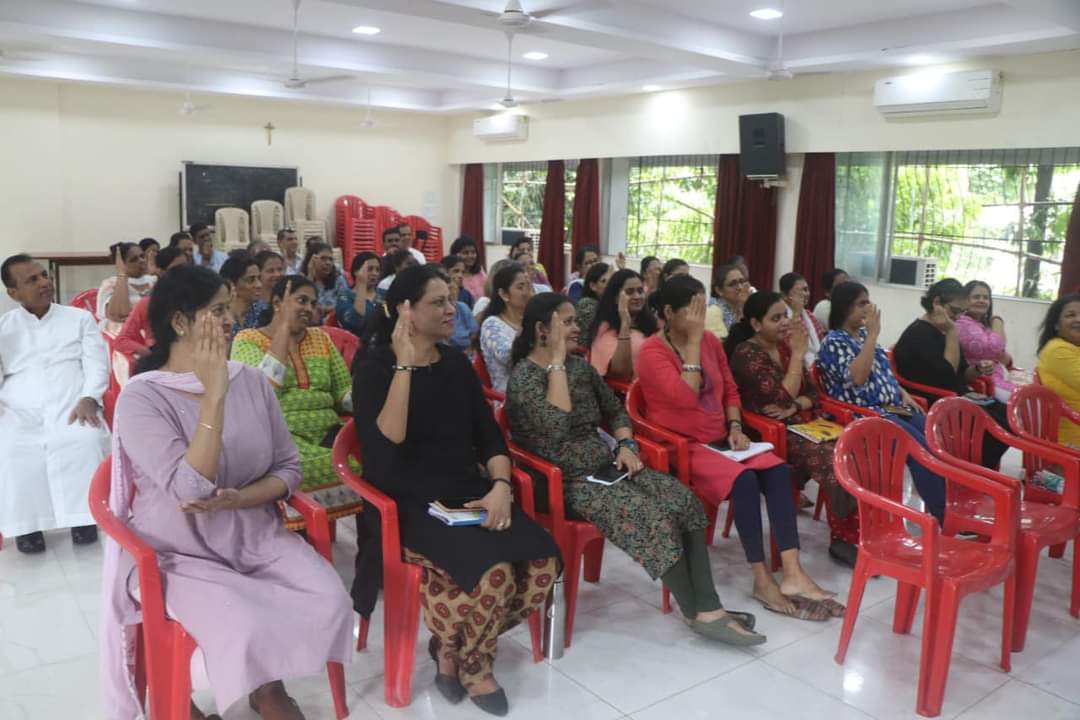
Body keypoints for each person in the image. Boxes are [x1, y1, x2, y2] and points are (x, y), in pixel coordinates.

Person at [105, 264, 352, 720]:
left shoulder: (252, 380)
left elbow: (289, 467)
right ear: (180, 322)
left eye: (227, 310)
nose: (228, 320)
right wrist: (213, 395)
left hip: (254, 534)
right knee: (245, 623)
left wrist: (242, 497)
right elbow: (189, 488)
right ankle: (183, 694)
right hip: (181, 552)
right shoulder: (144, 398)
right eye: (216, 311)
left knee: (330, 598)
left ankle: (266, 687)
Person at [353, 265, 560, 716]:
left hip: (466, 492)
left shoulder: (454, 365)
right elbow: (386, 447)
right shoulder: (372, 366)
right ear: (402, 310)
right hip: (405, 502)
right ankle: (474, 663)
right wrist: (405, 362)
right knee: (496, 573)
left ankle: (450, 649)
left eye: (451, 299)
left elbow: (489, 437)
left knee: (543, 560)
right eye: (438, 302)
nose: (453, 309)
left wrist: (501, 486)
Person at [507, 292, 766, 644]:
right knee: (648, 515)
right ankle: (699, 612)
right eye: (566, 322)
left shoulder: (579, 367)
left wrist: (626, 444)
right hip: (559, 480)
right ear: (542, 330)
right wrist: (554, 361)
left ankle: (708, 605)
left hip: (604, 466)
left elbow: (615, 411)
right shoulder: (524, 377)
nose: (576, 328)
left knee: (682, 501)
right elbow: (556, 424)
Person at [637, 276, 841, 620]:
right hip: (682, 447)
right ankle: (761, 578)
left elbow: (730, 391)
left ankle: (792, 572)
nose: (700, 317)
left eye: (704, 306)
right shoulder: (653, 352)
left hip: (722, 440)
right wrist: (693, 342)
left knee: (777, 469)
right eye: (692, 309)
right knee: (744, 481)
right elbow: (687, 396)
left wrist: (734, 425)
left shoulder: (711, 345)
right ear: (669, 313)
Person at [726, 290, 858, 566]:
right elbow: (777, 398)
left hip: (799, 422)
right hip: (768, 433)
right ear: (756, 324)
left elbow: (812, 393)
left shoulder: (785, 347)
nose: (784, 322)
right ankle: (842, 537)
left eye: (784, 315)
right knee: (831, 458)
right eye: (775, 318)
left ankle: (859, 529)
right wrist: (798, 357)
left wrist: (795, 406)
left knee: (853, 450)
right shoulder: (746, 353)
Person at [0, 254, 108, 554]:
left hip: (71, 399)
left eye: (44, 275)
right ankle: (27, 526)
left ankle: (83, 519)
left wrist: (90, 397)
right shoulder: (4, 327)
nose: (44, 283)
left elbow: (97, 363)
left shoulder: (79, 319)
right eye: (32, 280)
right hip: (18, 409)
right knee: (12, 450)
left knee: (83, 440)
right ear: (13, 293)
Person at [231, 276, 362, 519]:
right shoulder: (247, 340)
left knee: (376, 456)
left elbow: (343, 392)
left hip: (329, 432)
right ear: (278, 303)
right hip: (282, 434)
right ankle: (305, 530)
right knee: (297, 470)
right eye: (301, 301)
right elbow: (266, 390)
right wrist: (283, 329)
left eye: (312, 303)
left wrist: (369, 401)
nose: (309, 309)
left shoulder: (320, 339)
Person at [816, 281, 948, 523]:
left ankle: (950, 506)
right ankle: (944, 516)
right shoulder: (833, 341)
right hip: (865, 413)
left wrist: (901, 391)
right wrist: (874, 335)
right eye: (861, 303)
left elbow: (880, 371)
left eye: (868, 301)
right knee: (920, 451)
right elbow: (857, 377)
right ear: (845, 308)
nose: (868, 308)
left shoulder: (864, 335)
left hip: (890, 406)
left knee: (936, 437)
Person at [894, 278, 1010, 469]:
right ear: (937, 303)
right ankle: (970, 471)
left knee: (1007, 415)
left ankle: (977, 468)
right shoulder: (918, 334)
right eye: (954, 311)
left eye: (961, 312)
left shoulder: (944, 330)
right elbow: (947, 376)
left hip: (955, 394)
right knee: (995, 428)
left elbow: (962, 372)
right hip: (934, 400)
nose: (957, 317)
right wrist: (951, 333)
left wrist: (977, 369)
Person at [114, 247, 189, 359]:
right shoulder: (149, 303)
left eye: (186, 268)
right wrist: (150, 353)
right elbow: (122, 340)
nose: (184, 274)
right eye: (177, 269)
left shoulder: (197, 299)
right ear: (161, 272)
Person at [589, 269, 658, 381]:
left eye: (640, 291)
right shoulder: (605, 329)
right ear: (616, 297)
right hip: (629, 393)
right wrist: (625, 322)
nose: (637, 296)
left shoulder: (650, 322)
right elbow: (621, 373)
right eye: (629, 292)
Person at [956, 280, 1016, 402]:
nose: (982, 300)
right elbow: (992, 349)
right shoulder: (962, 323)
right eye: (976, 297)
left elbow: (1002, 354)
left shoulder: (983, 324)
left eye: (986, 298)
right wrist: (998, 321)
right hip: (982, 382)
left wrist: (1006, 359)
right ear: (964, 301)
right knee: (1026, 401)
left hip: (999, 376)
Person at [479, 262, 532, 392]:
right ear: (504, 294)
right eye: (520, 287)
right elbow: (508, 357)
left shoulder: (530, 320)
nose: (527, 293)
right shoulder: (492, 324)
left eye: (528, 287)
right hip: (509, 398)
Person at [1036, 294, 1080, 448]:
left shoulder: (1075, 348)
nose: (1078, 320)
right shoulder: (1057, 350)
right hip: (1071, 443)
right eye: (1070, 315)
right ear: (1056, 325)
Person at [98, 242, 156, 337]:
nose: (141, 261)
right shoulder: (111, 283)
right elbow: (120, 314)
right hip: (121, 335)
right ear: (122, 264)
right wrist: (122, 274)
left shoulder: (154, 280)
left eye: (142, 256)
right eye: (134, 259)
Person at [779, 272, 825, 369]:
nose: (806, 294)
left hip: (816, 367)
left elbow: (822, 341)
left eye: (807, 290)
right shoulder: (780, 316)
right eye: (802, 290)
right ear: (784, 295)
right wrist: (796, 312)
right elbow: (786, 346)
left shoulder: (809, 315)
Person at [335, 251, 381, 340]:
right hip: (357, 347)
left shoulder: (383, 294)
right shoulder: (345, 296)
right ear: (356, 271)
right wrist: (362, 285)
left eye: (377, 270)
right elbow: (354, 322)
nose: (375, 273)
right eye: (369, 269)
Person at [301, 241, 350, 322]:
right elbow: (303, 305)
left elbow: (346, 304)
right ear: (312, 260)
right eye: (323, 258)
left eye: (330, 259)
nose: (328, 263)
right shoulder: (302, 280)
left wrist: (325, 309)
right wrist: (310, 275)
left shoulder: (338, 280)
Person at [440, 257, 480, 352]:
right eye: (456, 271)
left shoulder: (462, 306)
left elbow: (474, 334)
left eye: (463, 272)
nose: (460, 276)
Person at [218, 253, 263, 334]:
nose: (259, 285)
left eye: (259, 278)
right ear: (232, 283)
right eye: (250, 280)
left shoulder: (264, 312)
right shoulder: (218, 316)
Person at [705, 263, 749, 340]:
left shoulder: (742, 307)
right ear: (719, 290)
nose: (740, 287)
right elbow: (728, 345)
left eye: (741, 281)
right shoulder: (712, 312)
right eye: (733, 284)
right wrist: (743, 308)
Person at [574, 261, 613, 347]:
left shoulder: (609, 303)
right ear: (593, 286)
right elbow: (602, 330)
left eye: (612, 281)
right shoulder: (586, 304)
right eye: (604, 281)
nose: (610, 285)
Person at [450, 235, 486, 301]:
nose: (470, 256)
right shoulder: (453, 274)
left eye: (473, 252)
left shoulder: (480, 271)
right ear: (456, 254)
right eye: (465, 253)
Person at [253, 249, 285, 322]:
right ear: (258, 273)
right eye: (271, 271)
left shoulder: (287, 300)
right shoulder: (253, 304)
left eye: (280, 269)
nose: (277, 274)